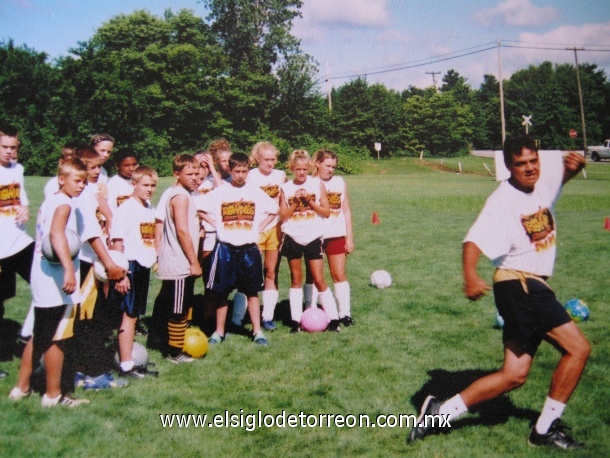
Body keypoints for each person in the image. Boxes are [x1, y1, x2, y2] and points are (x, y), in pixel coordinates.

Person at [409, 135, 590, 450]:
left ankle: (440, 413)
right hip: (521, 284)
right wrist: (469, 276)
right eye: (521, 164)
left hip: (524, 287)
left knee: (514, 375)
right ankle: (544, 428)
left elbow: (554, 186)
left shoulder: (541, 186)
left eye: (533, 161)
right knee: (578, 349)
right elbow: (473, 240)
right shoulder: (502, 199)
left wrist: (571, 170)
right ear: (508, 166)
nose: (530, 168)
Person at [9, 157, 90, 406]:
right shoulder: (64, 204)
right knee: (57, 336)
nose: (82, 186)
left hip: (42, 276)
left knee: (40, 335)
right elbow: (56, 234)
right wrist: (68, 270)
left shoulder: (50, 201)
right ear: (61, 179)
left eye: (84, 181)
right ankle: (53, 395)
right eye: (77, 181)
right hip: (55, 279)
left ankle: (21, 389)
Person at [198, 152, 278, 345]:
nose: (240, 175)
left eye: (244, 171)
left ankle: (257, 331)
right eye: (237, 171)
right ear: (230, 170)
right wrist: (215, 223)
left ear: (248, 170)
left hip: (249, 249)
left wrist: (260, 227)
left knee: (251, 292)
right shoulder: (221, 192)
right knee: (223, 292)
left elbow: (274, 210)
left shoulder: (255, 192)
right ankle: (219, 331)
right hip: (225, 248)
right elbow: (198, 208)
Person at [279, 150, 340, 332]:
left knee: (319, 279)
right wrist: (297, 202)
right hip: (293, 237)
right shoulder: (286, 188)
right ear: (292, 169)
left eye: (305, 169)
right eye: (298, 169)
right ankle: (296, 321)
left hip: (312, 237)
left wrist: (309, 202)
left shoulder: (317, 184)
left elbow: (326, 212)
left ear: (310, 168)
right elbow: (283, 215)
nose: (302, 173)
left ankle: (334, 319)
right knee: (296, 279)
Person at [110, 165, 158, 378]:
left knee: (134, 316)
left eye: (153, 185)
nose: (149, 189)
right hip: (129, 267)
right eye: (145, 185)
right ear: (134, 185)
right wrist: (121, 274)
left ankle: (128, 359)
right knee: (127, 317)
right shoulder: (126, 209)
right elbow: (117, 243)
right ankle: (126, 366)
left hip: (143, 266)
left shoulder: (148, 207)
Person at [154, 154, 201, 364]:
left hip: (177, 261)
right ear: (176, 174)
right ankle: (174, 352)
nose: (194, 178)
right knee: (178, 308)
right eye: (189, 174)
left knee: (173, 304)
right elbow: (182, 231)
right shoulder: (180, 196)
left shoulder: (181, 194)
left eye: (197, 173)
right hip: (180, 263)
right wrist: (194, 261)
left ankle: (162, 341)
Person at [304, 149, 355, 326]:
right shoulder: (309, 183)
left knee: (338, 274)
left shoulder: (340, 182)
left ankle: (345, 314)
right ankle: (309, 310)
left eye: (333, 166)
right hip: (314, 235)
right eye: (327, 166)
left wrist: (349, 237)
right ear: (317, 164)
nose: (331, 169)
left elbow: (346, 210)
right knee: (313, 276)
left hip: (336, 234)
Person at [0, 125, 34, 380]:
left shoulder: (18, 170)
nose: (10, 152)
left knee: (47, 281)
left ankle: (28, 335)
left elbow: (21, 199)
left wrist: (24, 209)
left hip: (20, 242)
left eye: (14, 147)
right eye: (5, 147)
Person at [244, 142, 286, 331]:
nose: (270, 163)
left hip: (274, 228)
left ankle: (267, 316)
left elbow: (281, 202)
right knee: (251, 274)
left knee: (271, 271)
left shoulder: (280, 175)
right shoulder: (251, 175)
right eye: (266, 159)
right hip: (256, 228)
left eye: (273, 159)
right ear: (257, 158)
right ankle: (240, 316)